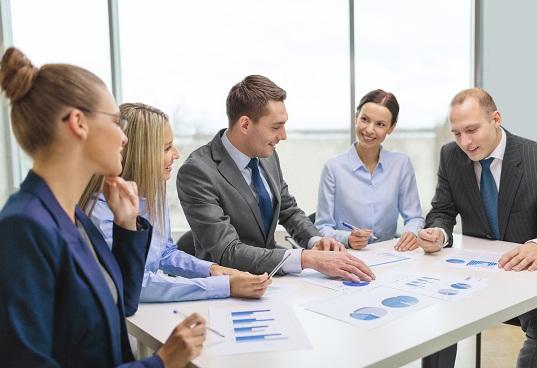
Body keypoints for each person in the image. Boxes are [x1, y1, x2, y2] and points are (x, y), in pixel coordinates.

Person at [0, 47, 205, 367]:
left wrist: (127, 228)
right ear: (78, 123)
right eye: (115, 121)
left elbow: (121, 304)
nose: (124, 137)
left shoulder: (73, 216)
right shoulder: (24, 226)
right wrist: (160, 363)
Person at [177, 75, 374, 282]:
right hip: (230, 284)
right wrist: (308, 258)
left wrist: (315, 241)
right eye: (275, 127)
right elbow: (228, 252)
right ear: (245, 125)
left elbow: (288, 210)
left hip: (272, 278)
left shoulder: (266, 154)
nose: (284, 135)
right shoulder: (197, 172)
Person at [418, 88, 537, 368]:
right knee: (434, 318)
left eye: (471, 130)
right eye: (457, 133)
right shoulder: (450, 156)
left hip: (526, 277)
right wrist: (439, 232)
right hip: (472, 273)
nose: (465, 142)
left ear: (496, 118)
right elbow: (443, 211)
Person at [82, 103, 271, 302]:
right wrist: (224, 286)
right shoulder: (98, 209)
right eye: (166, 148)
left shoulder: (154, 191)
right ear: (141, 154)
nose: (176, 154)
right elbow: (136, 283)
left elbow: (164, 253)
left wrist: (212, 270)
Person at [315, 89, 424, 250]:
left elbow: (414, 217)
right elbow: (322, 227)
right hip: (348, 255)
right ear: (356, 118)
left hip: (391, 254)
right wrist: (347, 238)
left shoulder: (401, 164)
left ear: (391, 128)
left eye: (380, 124)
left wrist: (411, 233)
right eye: (365, 119)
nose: (369, 130)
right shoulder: (333, 168)